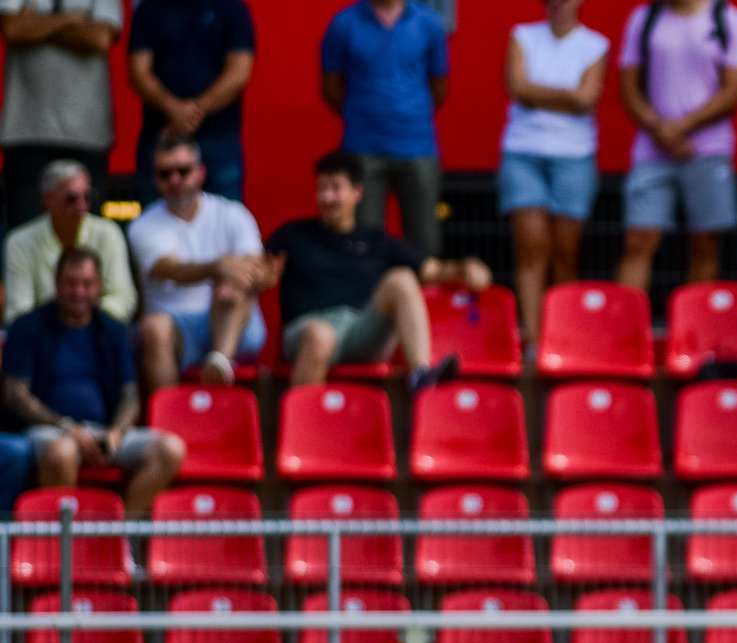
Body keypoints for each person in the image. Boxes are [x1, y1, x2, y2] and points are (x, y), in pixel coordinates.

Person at [264, 152, 491, 392]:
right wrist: (263, 276)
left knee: (402, 278)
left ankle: (421, 375)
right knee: (321, 335)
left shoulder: (377, 241)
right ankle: (300, 425)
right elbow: (262, 270)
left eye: (335, 188)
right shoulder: (293, 234)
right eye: (321, 189)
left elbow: (434, 270)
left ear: (357, 193)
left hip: (359, 331)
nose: (327, 197)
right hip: (306, 330)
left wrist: (468, 269)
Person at [3, 248, 185, 518]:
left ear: (99, 287)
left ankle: (120, 539)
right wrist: (66, 427)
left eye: (87, 284)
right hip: (49, 430)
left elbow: (130, 393)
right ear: (57, 284)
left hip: (103, 433)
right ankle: (66, 548)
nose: (79, 292)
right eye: (71, 283)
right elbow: (15, 394)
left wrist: (116, 433)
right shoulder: (28, 327)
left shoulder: (113, 329)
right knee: (62, 452)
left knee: (171, 449)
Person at [615, 0, 737, 294]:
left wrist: (681, 126)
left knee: (706, 243)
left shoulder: (728, 19)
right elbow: (628, 86)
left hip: (709, 149)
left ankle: (695, 334)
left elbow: (733, 91)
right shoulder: (644, 17)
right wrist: (658, 127)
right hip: (651, 150)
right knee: (638, 239)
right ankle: (627, 332)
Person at [500, 0, 610, 351]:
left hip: (575, 156)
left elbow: (587, 99)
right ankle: (532, 338)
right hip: (523, 152)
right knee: (532, 248)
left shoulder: (595, 44)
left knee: (565, 252)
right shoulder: (522, 35)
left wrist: (539, 93)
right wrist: (567, 93)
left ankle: (563, 338)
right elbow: (518, 88)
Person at [128, 134, 274, 390]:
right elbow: (167, 268)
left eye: (183, 171)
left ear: (201, 172)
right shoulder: (143, 225)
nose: (175, 180)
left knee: (231, 285)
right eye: (165, 174)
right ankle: (168, 423)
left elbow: (252, 269)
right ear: (155, 179)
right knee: (153, 327)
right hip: (177, 332)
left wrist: (233, 272)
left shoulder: (233, 213)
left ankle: (220, 361)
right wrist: (217, 267)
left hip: (237, 326)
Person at [322, 0, 451, 258]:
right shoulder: (344, 23)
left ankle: (422, 298)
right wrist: (365, 114)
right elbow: (331, 87)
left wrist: (409, 113)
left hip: (418, 146)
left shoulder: (428, 23)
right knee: (363, 240)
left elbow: (439, 85)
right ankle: (369, 299)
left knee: (424, 241)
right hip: (363, 147)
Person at [0, 0, 120, 234]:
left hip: (87, 131)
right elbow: (13, 29)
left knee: (87, 235)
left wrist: (37, 23)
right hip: (25, 129)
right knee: (25, 233)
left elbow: (100, 39)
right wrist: (71, 20)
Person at [127, 0, 256, 204]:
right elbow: (139, 71)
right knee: (155, 216)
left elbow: (240, 71)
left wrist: (194, 110)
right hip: (162, 134)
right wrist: (173, 108)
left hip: (219, 136)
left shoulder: (232, 8)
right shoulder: (150, 9)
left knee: (225, 216)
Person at [4, 161, 137, 325]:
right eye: (71, 198)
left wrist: (83, 321)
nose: (82, 205)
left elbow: (124, 299)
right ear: (48, 199)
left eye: (87, 197)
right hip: (42, 343)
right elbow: (18, 311)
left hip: (98, 335)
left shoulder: (108, 233)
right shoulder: (19, 242)